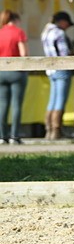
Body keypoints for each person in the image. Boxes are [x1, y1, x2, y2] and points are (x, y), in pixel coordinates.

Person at [41, 11, 74, 140]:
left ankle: (48, 129)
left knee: (52, 100)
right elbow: (64, 53)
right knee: (60, 100)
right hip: (61, 68)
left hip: (50, 69)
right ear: (62, 22)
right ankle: (56, 130)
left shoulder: (45, 32)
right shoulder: (59, 33)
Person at [0, 10, 29, 144]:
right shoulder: (18, 32)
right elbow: (23, 54)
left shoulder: (0, 32)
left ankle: (2, 136)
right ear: (16, 19)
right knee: (16, 104)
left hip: (1, 71)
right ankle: (14, 136)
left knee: (2, 104)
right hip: (16, 71)